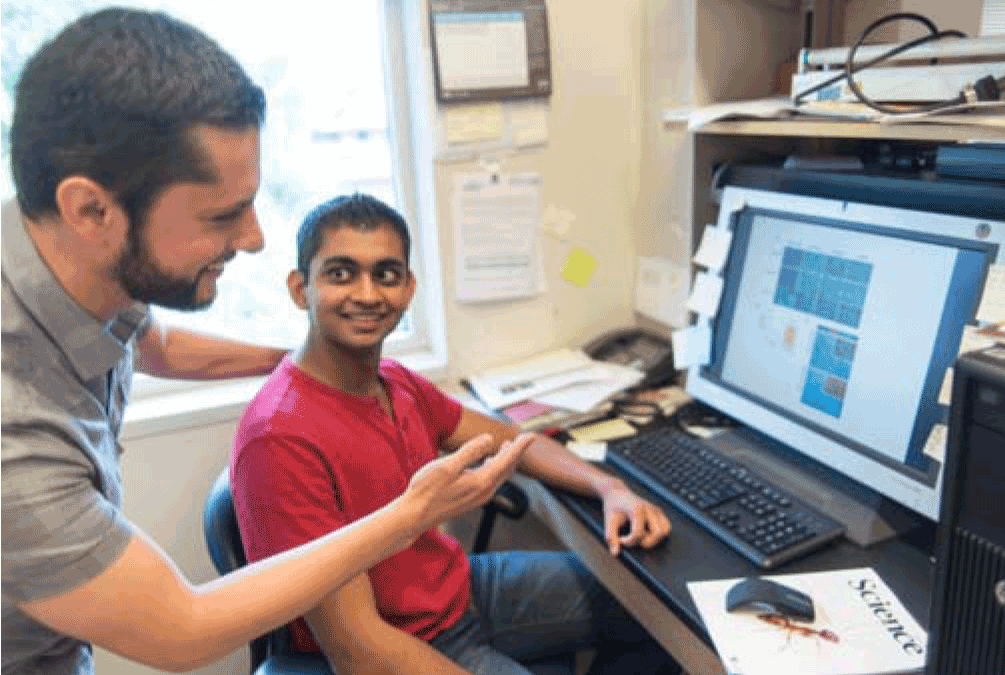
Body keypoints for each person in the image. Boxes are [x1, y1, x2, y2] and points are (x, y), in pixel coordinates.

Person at [0, 9, 533, 675]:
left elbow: (154, 341)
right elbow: (182, 630)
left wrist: (289, 360)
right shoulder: (14, 430)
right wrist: (408, 515)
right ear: (92, 211)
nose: (253, 237)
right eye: (223, 214)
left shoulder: (71, 252)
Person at [230, 193, 681, 674]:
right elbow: (359, 650)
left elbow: (509, 440)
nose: (367, 294)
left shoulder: (396, 381)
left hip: (460, 591)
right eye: (341, 274)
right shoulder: (279, 437)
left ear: (408, 288)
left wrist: (609, 487)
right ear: (301, 289)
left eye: (386, 274)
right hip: (399, 646)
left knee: (657, 612)